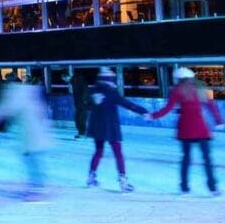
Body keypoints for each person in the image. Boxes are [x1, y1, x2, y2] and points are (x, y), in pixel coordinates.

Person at [148, 67, 224, 195]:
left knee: (186, 159)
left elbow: (167, 108)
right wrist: (219, 121)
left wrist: (152, 116)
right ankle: (213, 188)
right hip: (201, 129)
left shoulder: (177, 90)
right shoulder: (200, 88)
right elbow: (212, 106)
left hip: (186, 129)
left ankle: (184, 187)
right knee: (207, 159)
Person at [85, 67, 148, 191]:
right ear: (109, 79)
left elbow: (86, 105)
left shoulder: (93, 90)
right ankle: (123, 182)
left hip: (97, 127)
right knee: (118, 153)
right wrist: (143, 111)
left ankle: (91, 178)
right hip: (110, 126)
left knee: (98, 151)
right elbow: (127, 104)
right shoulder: (111, 91)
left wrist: (95, 102)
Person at [0, 81, 53, 199]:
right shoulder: (31, 96)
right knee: (33, 161)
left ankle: (37, 189)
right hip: (35, 135)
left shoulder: (18, 96)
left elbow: (6, 108)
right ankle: (37, 186)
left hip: (31, 136)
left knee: (32, 162)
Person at [70, 69, 89, 139]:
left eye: (64, 78)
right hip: (79, 103)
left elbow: (84, 90)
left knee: (81, 118)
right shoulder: (74, 81)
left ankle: (82, 133)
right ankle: (82, 132)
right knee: (78, 118)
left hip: (82, 103)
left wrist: (83, 100)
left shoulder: (77, 80)